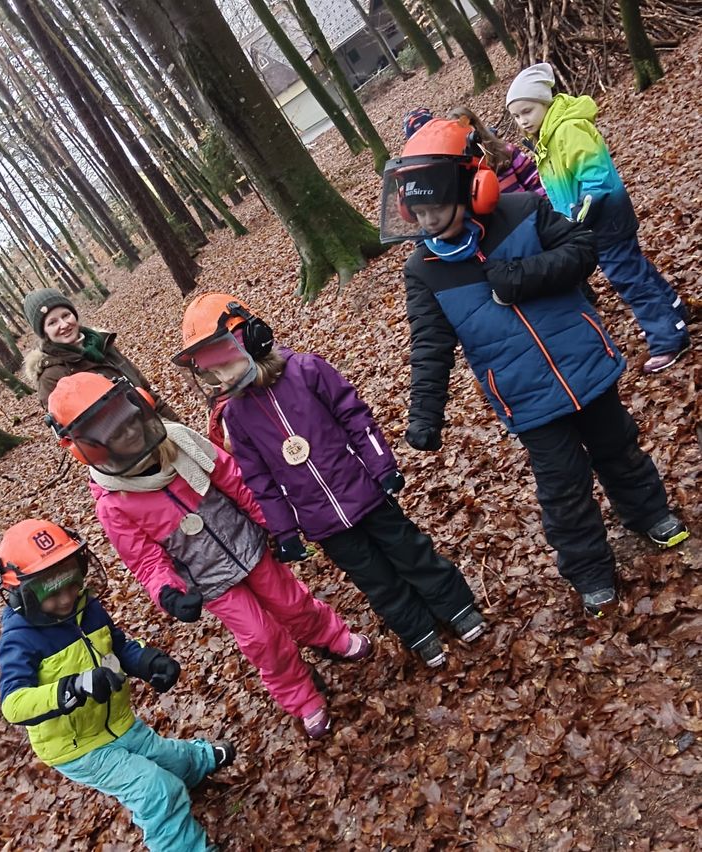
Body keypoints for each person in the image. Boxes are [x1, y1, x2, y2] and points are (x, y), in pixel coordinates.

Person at [381, 117, 689, 618]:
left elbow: (583, 249)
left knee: (619, 449)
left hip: (585, 364)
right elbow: (429, 346)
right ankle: (589, 570)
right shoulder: (423, 271)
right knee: (562, 487)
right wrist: (425, 416)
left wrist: (524, 276)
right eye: (418, 211)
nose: (428, 219)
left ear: (473, 188)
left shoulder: (525, 211)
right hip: (525, 397)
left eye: (436, 206)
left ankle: (651, 513)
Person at [46, 373, 372, 739]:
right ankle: (302, 697)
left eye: (127, 424)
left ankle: (331, 636)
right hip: (209, 579)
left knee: (292, 602)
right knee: (261, 638)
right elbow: (145, 560)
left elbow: (234, 478)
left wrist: (276, 524)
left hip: (246, 544)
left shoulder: (179, 443)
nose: (128, 435)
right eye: (113, 434)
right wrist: (168, 592)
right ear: (90, 447)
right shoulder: (113, 502)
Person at [171, 293, 485, 669]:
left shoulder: (307, 370)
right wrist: (284, 531)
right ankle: (417, 630)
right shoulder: (236, 415)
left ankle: (456, 606)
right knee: (376, 579)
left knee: (411, 552)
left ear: (251, 337)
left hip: (364, 489)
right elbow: (260, 480)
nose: (221, 375)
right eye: (210, 368)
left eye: (222, 359)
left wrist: (382, 466)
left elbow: (355, 416)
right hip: (321, 519)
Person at [0, 519, 234, 851]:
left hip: (118, 721)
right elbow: (14, 705)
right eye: (51, 592)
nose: (66, 598)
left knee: (163, 755)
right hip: (78, 747)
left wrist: (147, 663)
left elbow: (116, 646)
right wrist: (71, 688)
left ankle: (199, 762)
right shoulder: (20, 640)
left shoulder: (87, 606)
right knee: (156, 790)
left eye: (71, 582)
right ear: (22, 595)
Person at [506, 63, 690, 374]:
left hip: (604, 218)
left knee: (628, 277)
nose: (523, 120)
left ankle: (667, 340)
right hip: (593, 221)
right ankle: (672, 314)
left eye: (527, 111)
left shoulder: (568, 130)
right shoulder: (547, 137)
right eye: (517, 115)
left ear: (544, 103)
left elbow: (596, 178)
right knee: (634, 268)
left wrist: (578, 214)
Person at [22, 287, 179, 417]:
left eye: (66, 315)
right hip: (130, 450)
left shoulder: (103, 344)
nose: (64, 324)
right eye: (52, 322)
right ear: (44, 333)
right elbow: (77, 434)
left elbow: (146, 390)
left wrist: (176, 423)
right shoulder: (51, 377)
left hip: (160, 427)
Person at [447, 105, 546, 197]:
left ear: (475, 128)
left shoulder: (505, 151)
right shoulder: (459, 171)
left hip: (528, 211)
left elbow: (535, 182)